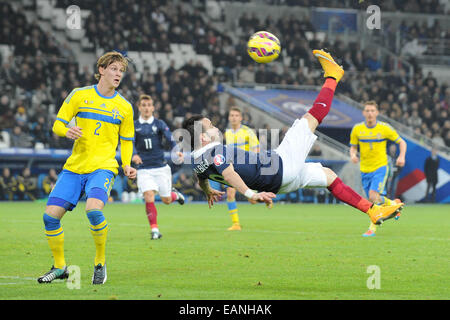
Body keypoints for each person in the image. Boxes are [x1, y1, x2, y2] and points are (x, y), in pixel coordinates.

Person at [182, 50, 404, 230]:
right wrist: (251, 195)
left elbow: (200, 177)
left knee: (328, 177)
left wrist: (208, 191)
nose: (216, 127)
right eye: (211, 126)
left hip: (280, 184)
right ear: (203, 137)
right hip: (281, 165)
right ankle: (333, 75)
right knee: (312, 116)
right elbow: (228, 172)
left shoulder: (197, 160)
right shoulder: (215, 151)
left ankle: (373, 211)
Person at [37, 51, 136, 285]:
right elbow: (58, 124)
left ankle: (99, 263)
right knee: (50, 218)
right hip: (74, 167)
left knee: (93, 210)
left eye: (121, 71)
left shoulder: (124, 107)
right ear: (101, 70)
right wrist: (66, 130)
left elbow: (127, 139)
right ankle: (60, 267)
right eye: (114, 69)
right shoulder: (79, 95)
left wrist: (126, 164)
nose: (118, 74)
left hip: (103, 167)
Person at [350, 101, 407, 237]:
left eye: (372, 111)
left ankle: (372, 229)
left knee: (373, 197)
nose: (370, 113)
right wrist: (352, 154)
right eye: (367, 111)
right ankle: (394, 204)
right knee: (373, 198)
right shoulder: (357, 129)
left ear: (377, 113)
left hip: (380, 167)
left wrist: (401, 156)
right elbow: (353, 146)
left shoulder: (384, 128)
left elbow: (401, 142)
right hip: (364, 169)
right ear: (364, 113)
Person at [131, 94, 185, 241]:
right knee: (149, 196)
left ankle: (175, 196)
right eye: (144, 105)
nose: (147, 108)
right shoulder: (134, 126)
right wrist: (134, 155)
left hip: (160, 167)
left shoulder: (159, 123)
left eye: (149, 105)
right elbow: (130, 143)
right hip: (143, 168)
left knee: (166, 199)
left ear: (153, 108)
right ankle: (155, 230)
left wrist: (176, 149)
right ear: (139, 107)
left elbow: (170, 138)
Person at [222, 106, 260, 231]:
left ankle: (265, 199)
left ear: (241, 118)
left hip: (246, 167)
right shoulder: (227, 133)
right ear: (229, 117)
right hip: (232, 168)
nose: (234, 118)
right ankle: (236, 224)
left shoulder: (247, 131)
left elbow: (256, 149)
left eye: (236, 115)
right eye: (231, 115)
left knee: (252, 200)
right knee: (230, 193)